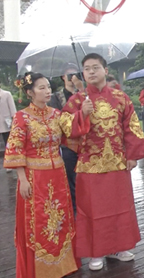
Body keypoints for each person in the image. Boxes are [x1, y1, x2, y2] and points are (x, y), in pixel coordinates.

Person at [60, 53, 144, 271]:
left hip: (118, 163)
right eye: (87, 68)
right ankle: (95, 251)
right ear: (83, 73)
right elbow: (65, 127)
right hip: (90, 166)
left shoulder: (121, 98)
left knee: (118, 207)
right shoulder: (77, 101)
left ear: (105, 71)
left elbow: (132, 127)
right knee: (92, 210)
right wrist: (82, 114)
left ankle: (117, 247)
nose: (91, 71)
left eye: (95, 67)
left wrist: (132, 156)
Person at [4, 72, 87, 277]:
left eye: (48, 86)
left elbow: (74, 128)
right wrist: (22, 180)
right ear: (30, 92)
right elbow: (15, 150)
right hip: (34, 178)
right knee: (39, 221)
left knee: (60, 218)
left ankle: (63, 264)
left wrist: (83, 109)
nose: (47, 90)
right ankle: (41, 269)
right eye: (41, 88)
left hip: (58, 175)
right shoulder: (22, 117)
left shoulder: (56, 114)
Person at [47, 63, 84, 214]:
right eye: (69, 75)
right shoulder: (56, 97)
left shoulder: (85, 94)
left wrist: (81, 89)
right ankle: (75, 210)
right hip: (67, 144)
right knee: (71, 178)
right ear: (63, 77)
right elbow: (57, 118)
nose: (72, 78)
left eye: (75, 74)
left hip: (86, 143)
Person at [0, 84, 17, 173]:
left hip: (6, 123)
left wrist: (14, 120)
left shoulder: (6, 94)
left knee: (8, 143)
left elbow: (13, 109)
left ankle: (9, 164)